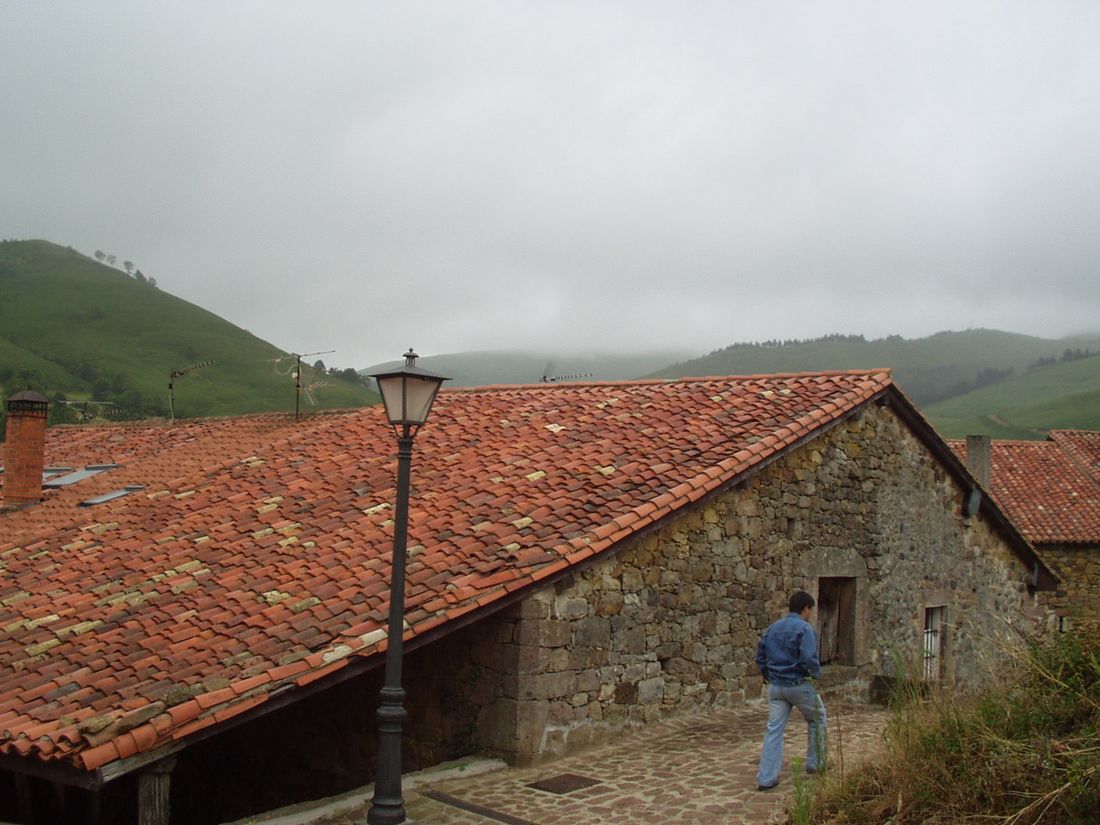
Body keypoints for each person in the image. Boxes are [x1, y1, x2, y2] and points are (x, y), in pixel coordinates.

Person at [754, 590, 827, 790]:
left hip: (777, 687)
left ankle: (766, 778)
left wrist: (770, 675)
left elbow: (760, 657)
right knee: (817, 719)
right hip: (799, 685)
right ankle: (816, 763)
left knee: (774, 731)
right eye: (811, 610)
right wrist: (815, 675)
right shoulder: (804, 629)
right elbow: (809, 658)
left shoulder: (772, 628)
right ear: (806, 608)